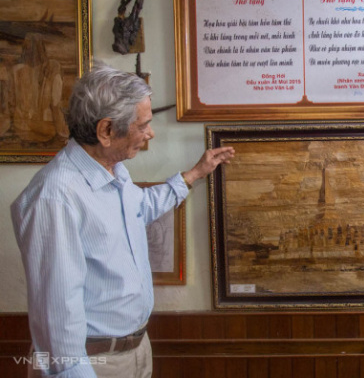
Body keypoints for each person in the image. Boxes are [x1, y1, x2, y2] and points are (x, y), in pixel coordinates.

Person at [11, 63, 235, 377]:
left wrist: (194, 174)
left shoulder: (111, 170)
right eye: (142, 124)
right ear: (106, 131)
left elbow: (140, 207)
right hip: (94, 363)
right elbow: (56, 317)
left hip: (134, 352)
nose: (150, 133)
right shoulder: (56, 197)